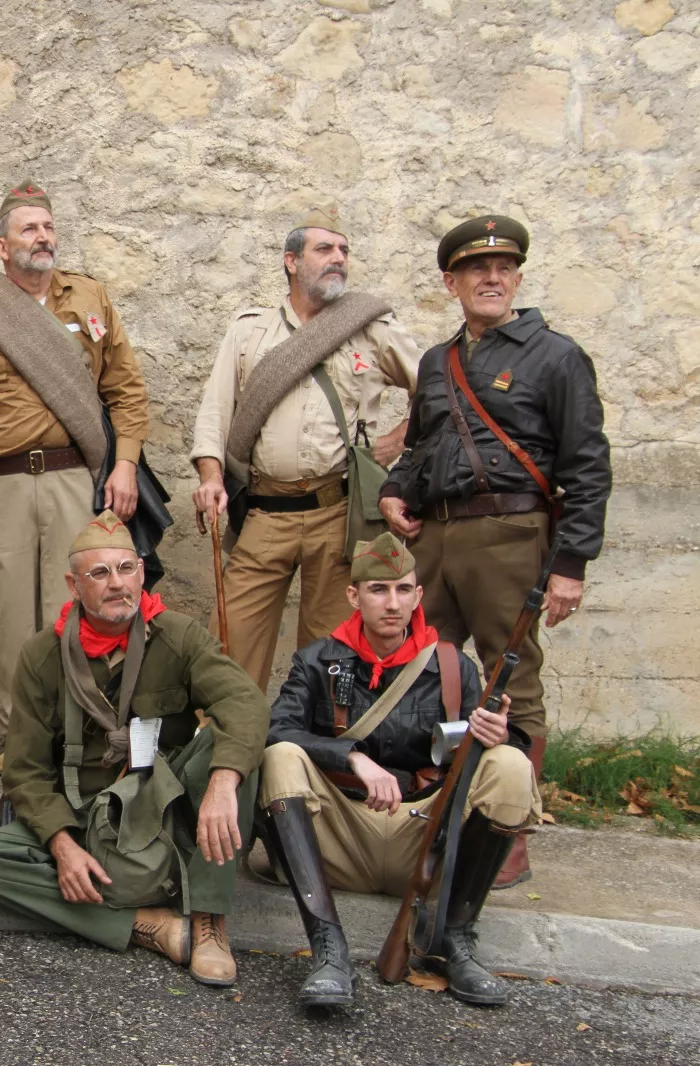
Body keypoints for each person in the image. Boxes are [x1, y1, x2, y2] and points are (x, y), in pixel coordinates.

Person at [379, 215, 611, 887]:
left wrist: (571, 563)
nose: (492, 279)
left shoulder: (555, 356)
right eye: (477, 270)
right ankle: (437, 811)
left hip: (511, 535)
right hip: (435, 538)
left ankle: (506, 831)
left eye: (503, 268)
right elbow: (420, 447)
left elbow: (588, 465)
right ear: (451, 282)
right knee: (428, 673)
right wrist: (395, 490)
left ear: (517, 277)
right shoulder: (437, 362)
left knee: (509, 679)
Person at [0, 511, 270, 987]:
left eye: (126, 569)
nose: (116, 584)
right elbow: (24, 770)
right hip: (85, 814)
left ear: (142, 573)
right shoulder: (44, 655)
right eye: (99, 573)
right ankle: (149, 924)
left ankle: (208, 920)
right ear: (73, 583)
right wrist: (62, 846)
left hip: (166, 807)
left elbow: (244, 701)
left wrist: (224, 782)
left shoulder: (177, 635)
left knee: (226, 747)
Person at [260, 532, 541, 1007]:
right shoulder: (315, 661)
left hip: (424, 838)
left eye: (403, 590)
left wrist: (499, 733)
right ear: (354, 596)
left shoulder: (454, 667)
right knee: (280, 757)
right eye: (378, 590)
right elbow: (279, 731)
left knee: (510, 763)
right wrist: (352, 756)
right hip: (343, 835)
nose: (393, 603)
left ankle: (453, 936)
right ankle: (329, 950)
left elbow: (478, 757)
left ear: (418, 596)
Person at [0, 181, 150, 761]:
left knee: (72, 606)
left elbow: (127, 391)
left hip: (72, 476)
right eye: (28, 229)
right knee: (9, 613)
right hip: (0, 479)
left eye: (48, 227)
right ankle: (20, 736)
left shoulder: (91, 299)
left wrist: (124, 465)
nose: (42, 237)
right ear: (2, 246)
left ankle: (71, 731)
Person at [189, 207, 420, 692]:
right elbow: (215, 412)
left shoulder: (371, 327)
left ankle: (318, 753)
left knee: (332, 650)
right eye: (324, 249)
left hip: (338, 514)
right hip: (265, 513)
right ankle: (226, 751)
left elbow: (435, 392)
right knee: (230, 645)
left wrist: (392, 446)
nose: (338, 258)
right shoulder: (249, 330)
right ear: (291, 261)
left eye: (343, 251)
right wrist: (211, 477)